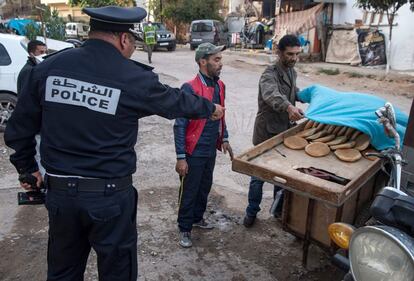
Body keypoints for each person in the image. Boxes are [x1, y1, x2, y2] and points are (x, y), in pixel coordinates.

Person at [4, 6, 224, 281]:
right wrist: (210, 108)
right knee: (117, 272)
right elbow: (174, 101)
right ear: (123, 40)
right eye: (133, 43)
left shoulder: (49, 68)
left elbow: (18, 128)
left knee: (63, 272)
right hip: (108, 198)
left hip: (61, 197)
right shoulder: (131, 77)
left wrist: (27, 168)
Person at [174, 43, 233, 248]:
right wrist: (181, 156)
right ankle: (185, 228)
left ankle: (197, 218)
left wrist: (224, 137)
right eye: (216, 60)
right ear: (202, 61)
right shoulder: (189, 88)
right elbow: (180, 123)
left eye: (220, 59)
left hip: (210, 148)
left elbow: (221, 115)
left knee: (204, 186)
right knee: (189, 189)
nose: (220, 64)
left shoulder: (219, 85)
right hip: (194, 149)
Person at [243, 34, 304, 228]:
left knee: (282, 174)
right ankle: (251, 212)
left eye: (296, 54)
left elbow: (291, 91)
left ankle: (278, 210)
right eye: (290, 54)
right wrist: (289, 107)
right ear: (279, 52)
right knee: (259, 176)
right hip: (266, 132)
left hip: (284, 131)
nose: (293, 58)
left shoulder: (291, 71)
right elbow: (272, 94)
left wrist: (306, 95)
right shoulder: (269, 73)